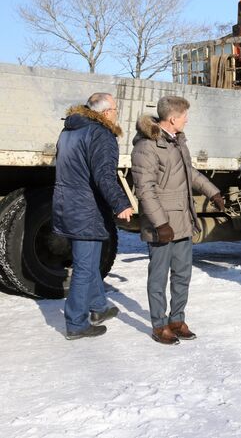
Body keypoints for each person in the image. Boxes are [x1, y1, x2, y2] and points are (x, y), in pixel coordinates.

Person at [131, 96, 225, 345]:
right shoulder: (146, 146)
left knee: (183, 274)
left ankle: (177, 319)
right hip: (161, 225)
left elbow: (189, 172)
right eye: (185, 116)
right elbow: (145, 189)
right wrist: (161, 224)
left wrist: (212, 191)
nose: (187, 120)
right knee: (159, 277)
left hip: (182, 219)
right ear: (173, 118)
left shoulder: (178, 142)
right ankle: (159, 324)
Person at [52, 93, 134, 340]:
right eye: (115, 109)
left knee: (88, 261)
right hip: (86, 208)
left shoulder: (69, 130)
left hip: (68, 204)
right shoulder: (100, 133)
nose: (116, 113)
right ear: (106, 112)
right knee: (85, 267)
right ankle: (76, 323)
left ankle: (99, 307)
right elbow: (104, 175)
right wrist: (121, 203)